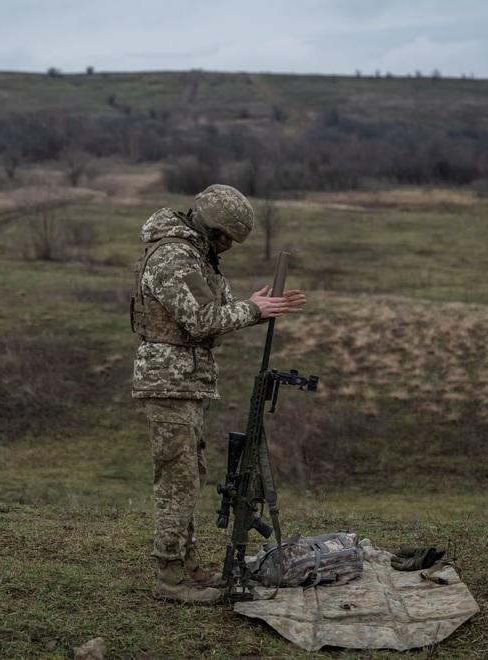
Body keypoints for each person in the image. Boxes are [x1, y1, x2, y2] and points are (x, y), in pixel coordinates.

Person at [130, 184, 307, 603]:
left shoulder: (195, 254)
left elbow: (219, 309)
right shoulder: (174, 256)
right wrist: (253, 310)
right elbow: (203, 320)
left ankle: (187, 568)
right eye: (228, 237)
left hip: (184, 382)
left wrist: (255, 305)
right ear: (214, 228)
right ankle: (170, 578)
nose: (229, 247)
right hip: (169, 381)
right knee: (177, 480)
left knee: (189, 477)